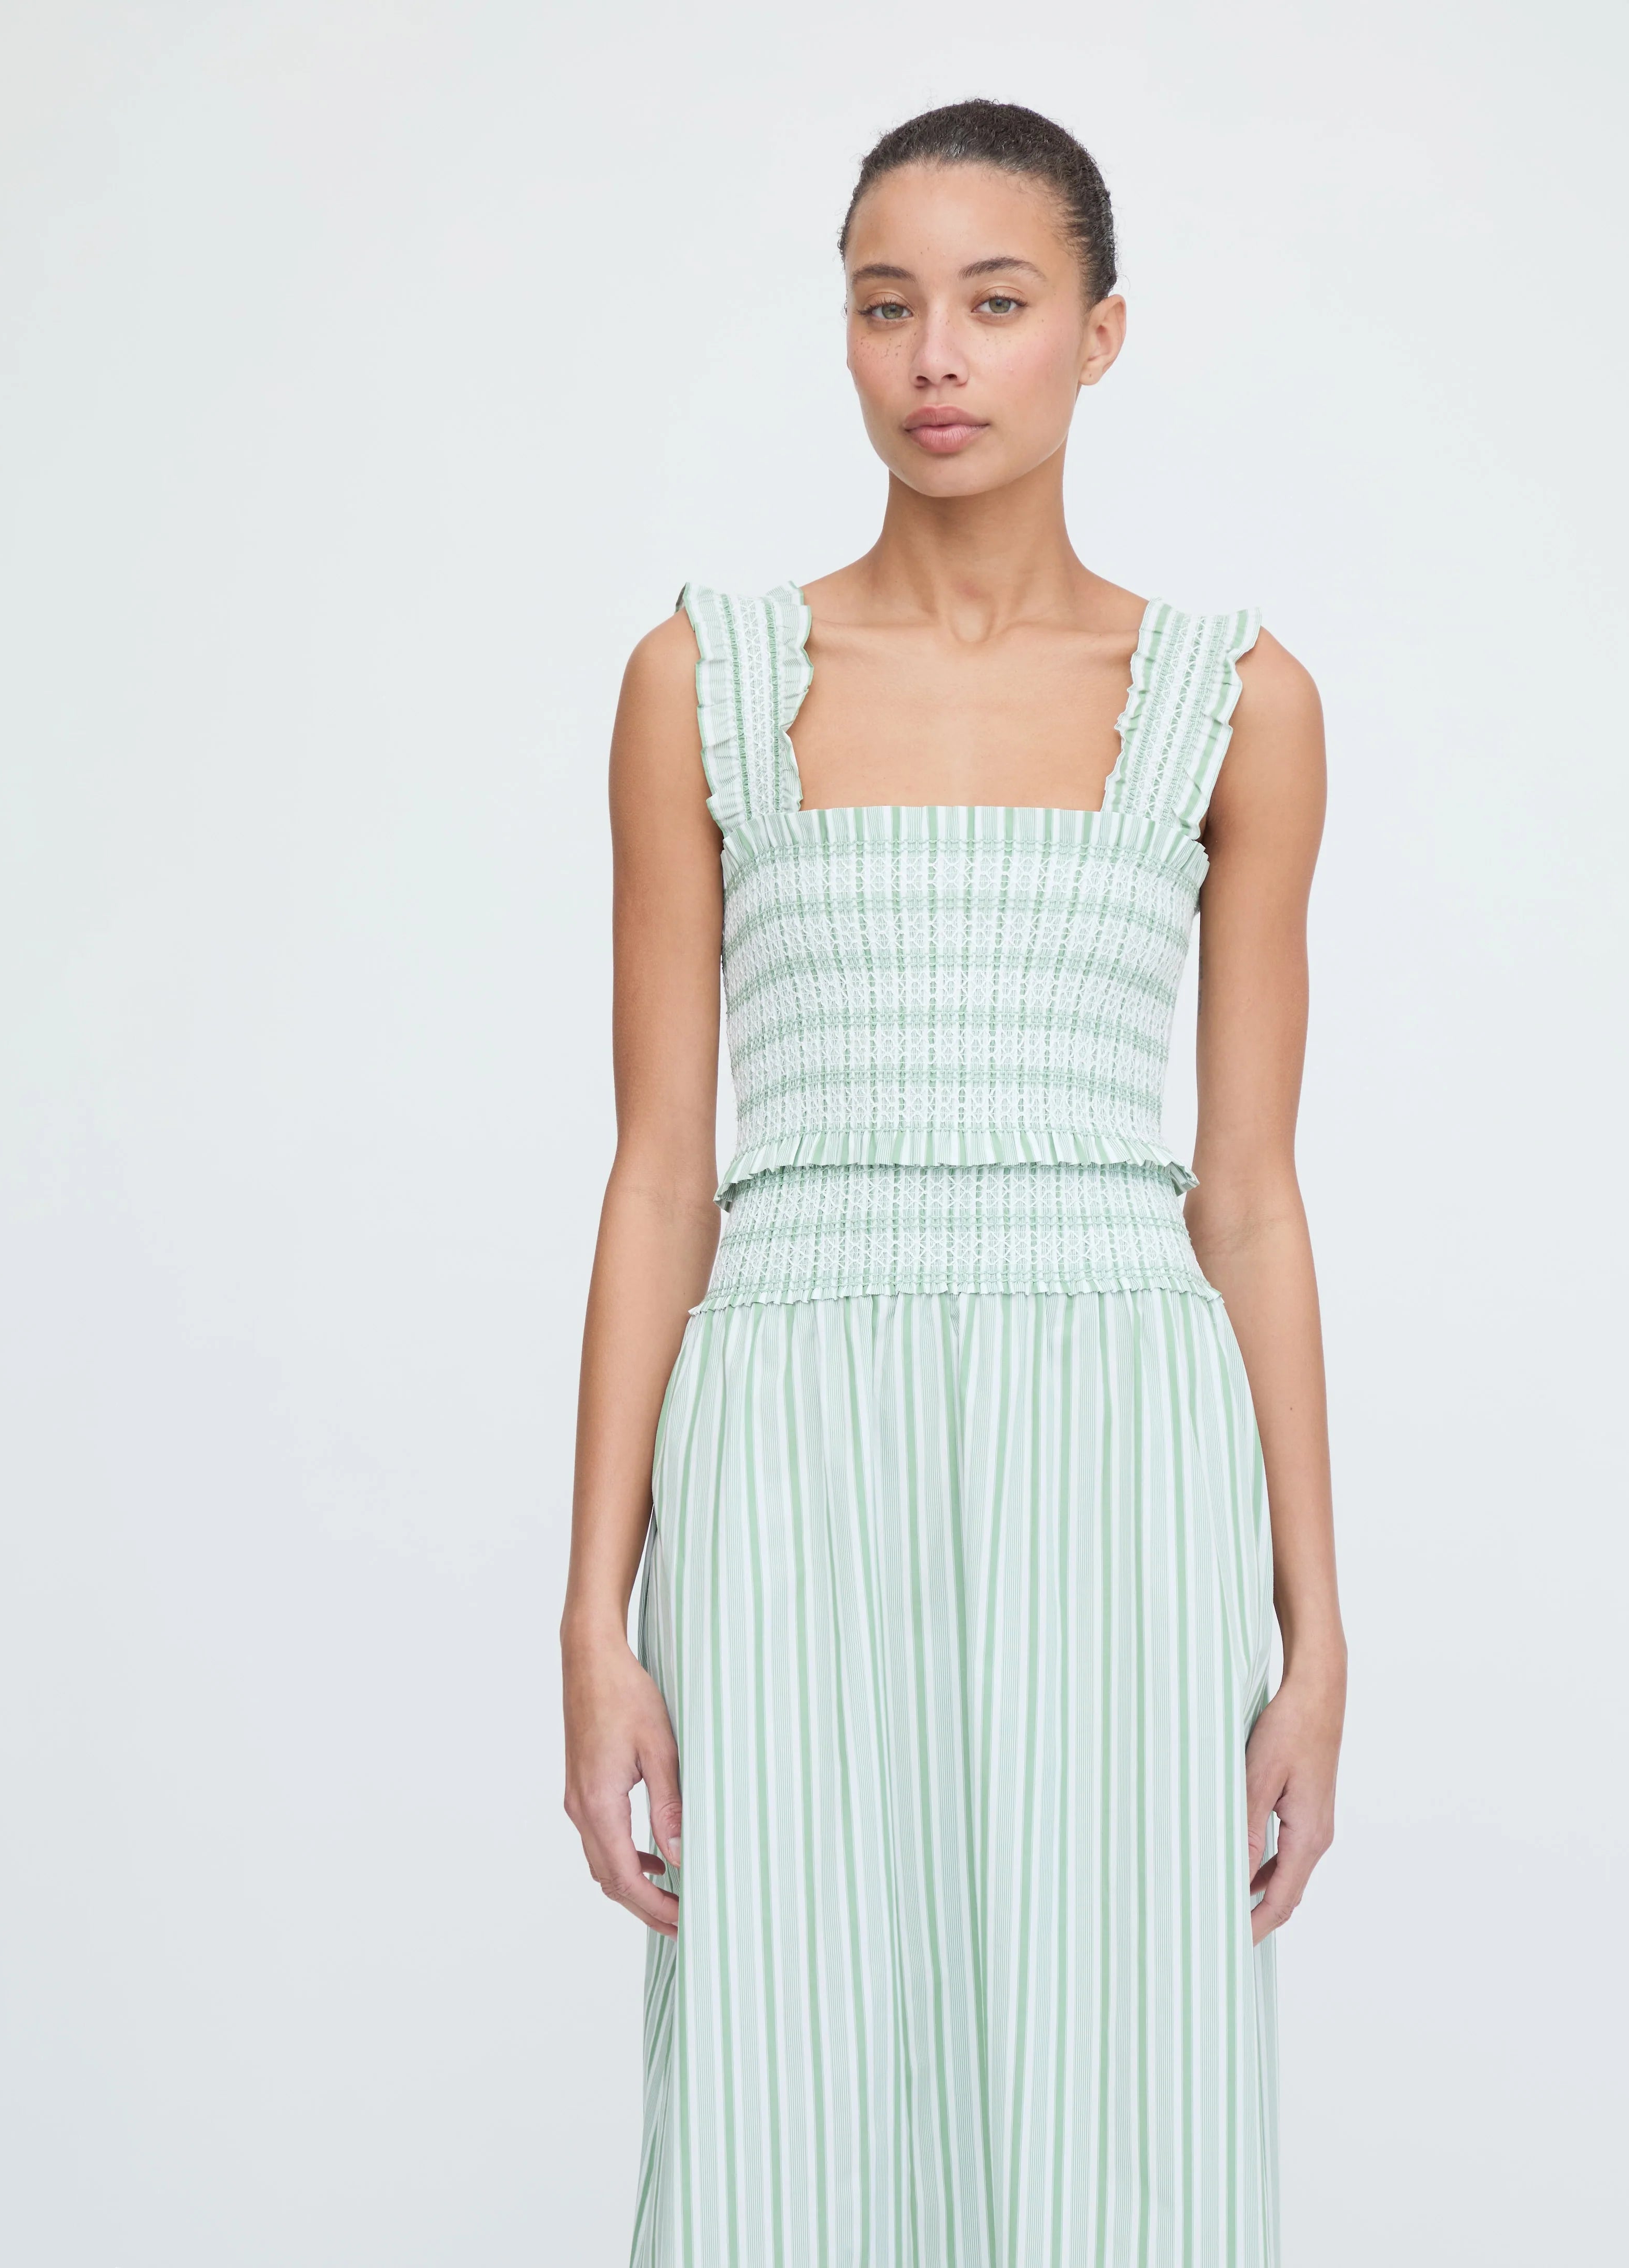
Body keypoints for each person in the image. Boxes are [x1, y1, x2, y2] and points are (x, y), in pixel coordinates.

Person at [561, 97, 1344, 2267]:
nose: (935, 357)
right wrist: (595, 1619)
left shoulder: (1233, 701)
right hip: (788, 1419)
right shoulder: (703, 681)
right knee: (783, 2088)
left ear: (1099, 334)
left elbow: (1249, 1193)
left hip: (1118, 1422)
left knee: (1126, 2087)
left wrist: (1315, 1632)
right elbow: (661, 1176)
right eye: (885, 304)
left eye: (995, 304)